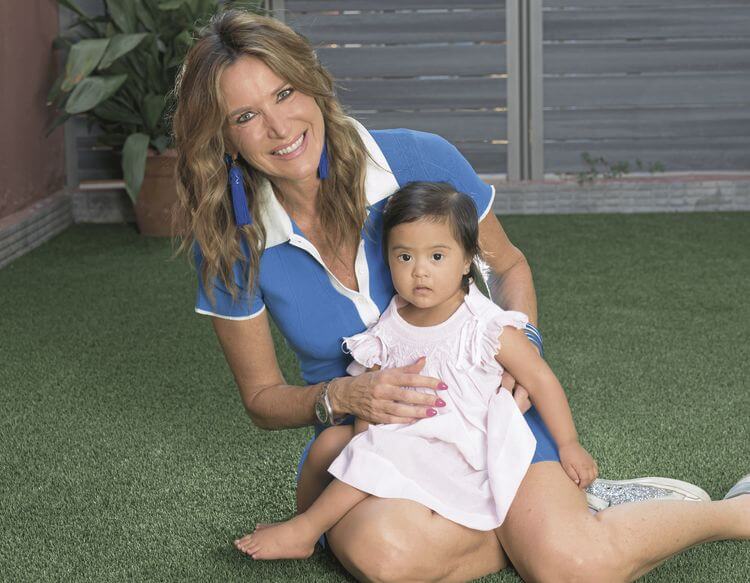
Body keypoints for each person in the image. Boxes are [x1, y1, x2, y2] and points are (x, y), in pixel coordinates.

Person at [172, 9, 749, 582]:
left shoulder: (418, 160)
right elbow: (263, 399)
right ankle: (566, 518)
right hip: (371, 440)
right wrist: (342, 394)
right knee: (387, 558)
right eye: (246, 116)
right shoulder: (229, 242)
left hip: (482, 411)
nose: (279, 127)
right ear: (223, 138)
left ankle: (730, 514)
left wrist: (522, 347)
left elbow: (508, 265)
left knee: (572, 567)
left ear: (313, 86)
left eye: (285, 93)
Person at [232, 182, 599, 560]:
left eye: (437, 256)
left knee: (384, 450)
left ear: (467, 260)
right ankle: (315, 528)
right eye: (404, 257)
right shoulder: (390, 325)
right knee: (331, 445)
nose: (420, 271)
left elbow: (540, 379)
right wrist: (365, 440)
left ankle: (306, 530)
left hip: (460, 444)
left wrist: (569, 443)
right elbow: (371, 395)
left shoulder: (484, 326)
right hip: (403, 433)